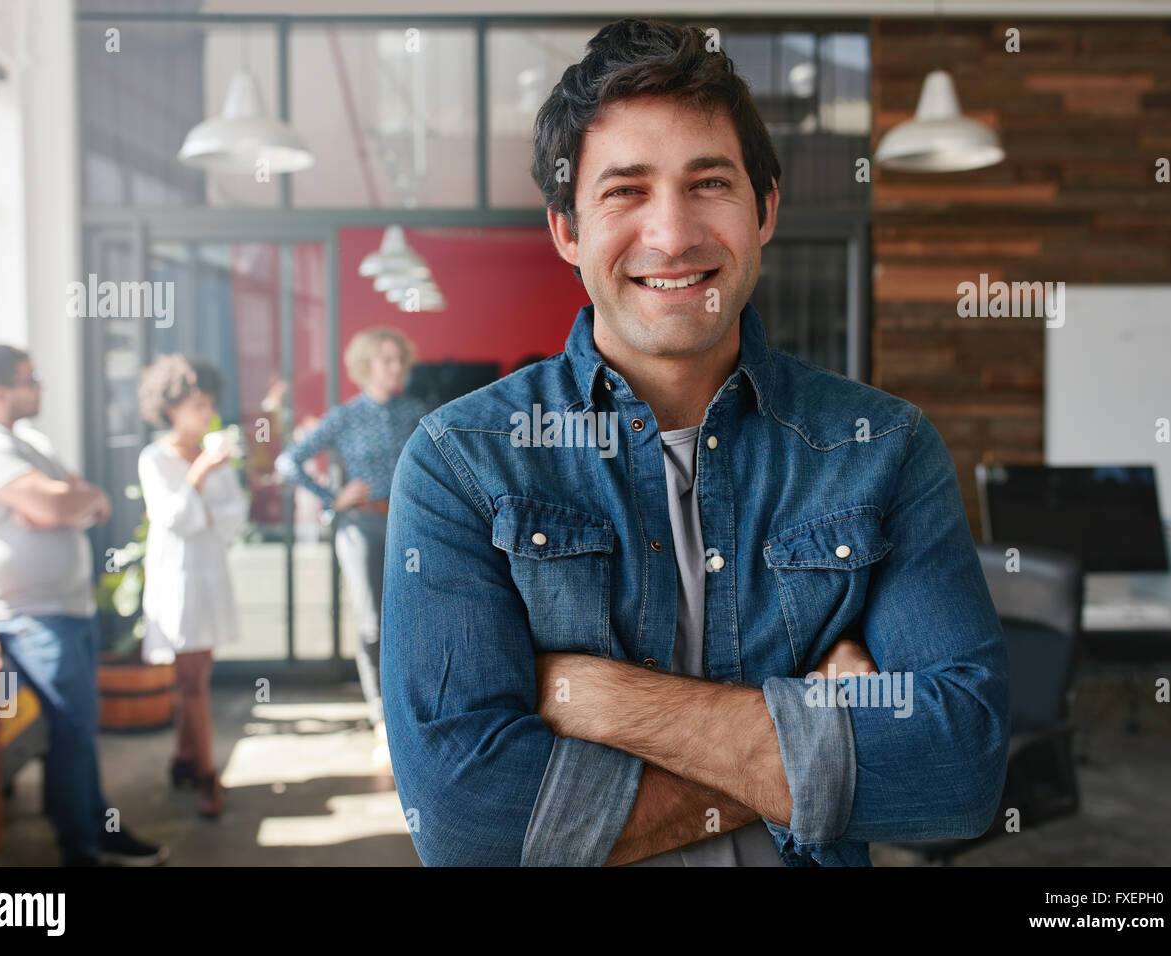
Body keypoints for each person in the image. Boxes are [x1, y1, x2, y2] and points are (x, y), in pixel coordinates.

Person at [381, 18, 1010, 866]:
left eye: (709, 182)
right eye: (625, 190)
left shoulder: (884, 448)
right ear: (567, 229)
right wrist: (813, 741)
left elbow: (960, 770)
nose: (672, 235)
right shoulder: (462, 461)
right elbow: (468, 823)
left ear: (766, 210)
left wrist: (598, 698)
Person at [0, 345, 167, 866]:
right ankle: (80, 848)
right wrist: (58, 504)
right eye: (30, 379)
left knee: (80, 729)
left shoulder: (26, 442)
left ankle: (96, 829)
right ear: (0, 391)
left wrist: (61, 505)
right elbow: (58, 501)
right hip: (30, 614)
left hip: (66, 608)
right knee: (71, 728)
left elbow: (87, 497)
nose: (39, 386)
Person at [274, 328, 427, 770]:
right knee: (373, 622)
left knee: (414, 617)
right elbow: (288, 462)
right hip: (359, 525)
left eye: (399, 359)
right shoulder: (344, 417)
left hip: (408, 525)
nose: (395, 367)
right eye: (385, 360)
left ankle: (412, 714)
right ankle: (381, 718)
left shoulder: (417, 412)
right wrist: (330, 500)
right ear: (364, 366)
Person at [137, 355, 248, 818]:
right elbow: (173, 518)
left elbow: (235, 516)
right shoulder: (156, 457)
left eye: (209, 405)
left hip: (209, 574)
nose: (206, 414)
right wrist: (200, 477)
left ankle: (183, 759)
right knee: (194, 681)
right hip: (176, 579)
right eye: (196, 405)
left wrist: (200, 505)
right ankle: (208, 776)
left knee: (194, 678)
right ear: (170, 409)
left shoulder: (215, 456)